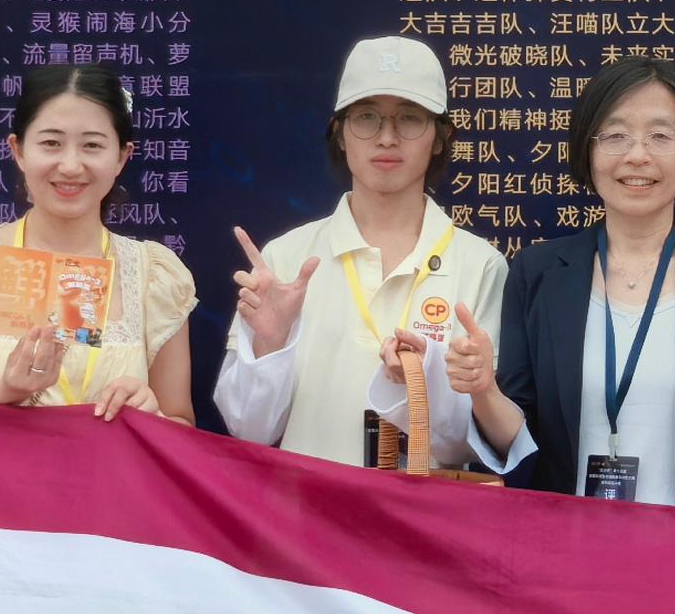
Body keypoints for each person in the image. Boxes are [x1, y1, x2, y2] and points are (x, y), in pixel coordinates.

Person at [470, 54, 675, 515]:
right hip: (563, 540)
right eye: (615, 135)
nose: (638, 155)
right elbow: (516, 435)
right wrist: (481, 390)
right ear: (588, 149)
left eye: (660, 136)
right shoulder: (537, 273)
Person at [216, 35, 509, 469]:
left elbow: (465, 450)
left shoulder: (480, 264)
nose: (387, 137)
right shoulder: (287, 257)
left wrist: (420, 382)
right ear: (339, 133)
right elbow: (248, 430)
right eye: (366, 117)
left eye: (409, 118)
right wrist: (270, 344)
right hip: (304, 507)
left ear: (440, 137)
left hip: (419, 510)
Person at [0, 62, 197, 421]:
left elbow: (182, 424)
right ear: (18, 150)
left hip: (109, 463)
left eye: (92, 145)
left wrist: (154, 416)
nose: (71, 165)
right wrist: (3, 394)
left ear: (122, 157)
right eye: (51, 143)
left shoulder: (155, 275)